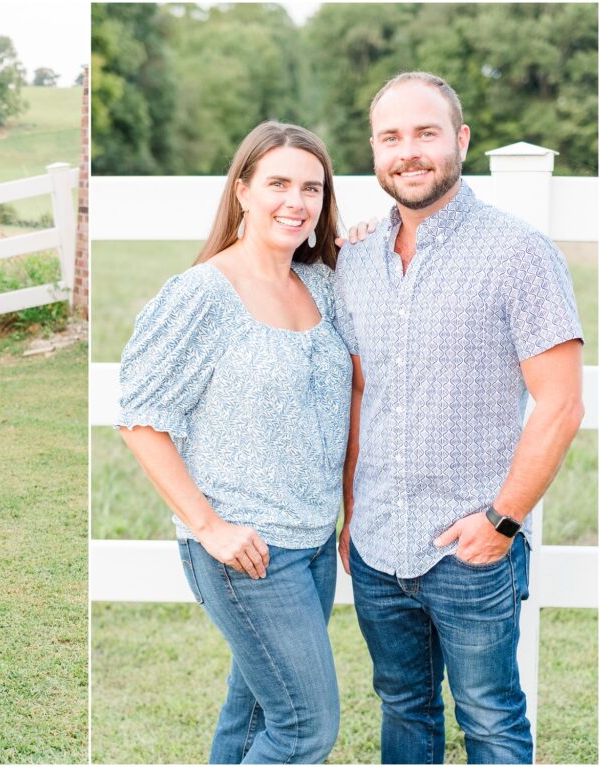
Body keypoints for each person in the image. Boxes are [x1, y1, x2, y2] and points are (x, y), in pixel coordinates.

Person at [334, 72, 584, 764]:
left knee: (491, 719)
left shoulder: (519, 252)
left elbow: (561, 404)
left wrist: (502, 520)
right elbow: (360, 394)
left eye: (425, 133)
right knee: (404, 710)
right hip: (379, 545)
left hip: (473, 547)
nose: (408, 151)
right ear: (376, 150)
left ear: (460, 141)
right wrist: (353, 512)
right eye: (391, 137)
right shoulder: (355, 259)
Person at [117, 122, 352, 764]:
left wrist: (355, 242)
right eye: (277, 183)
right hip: (248, 553)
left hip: (313, 545)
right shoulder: (201, 294)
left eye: (311, 187)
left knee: (252, 720)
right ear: (242, 189)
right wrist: (210, 527)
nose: (295, 201)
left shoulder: (325, 285)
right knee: (306, 728)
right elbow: (140, 417)